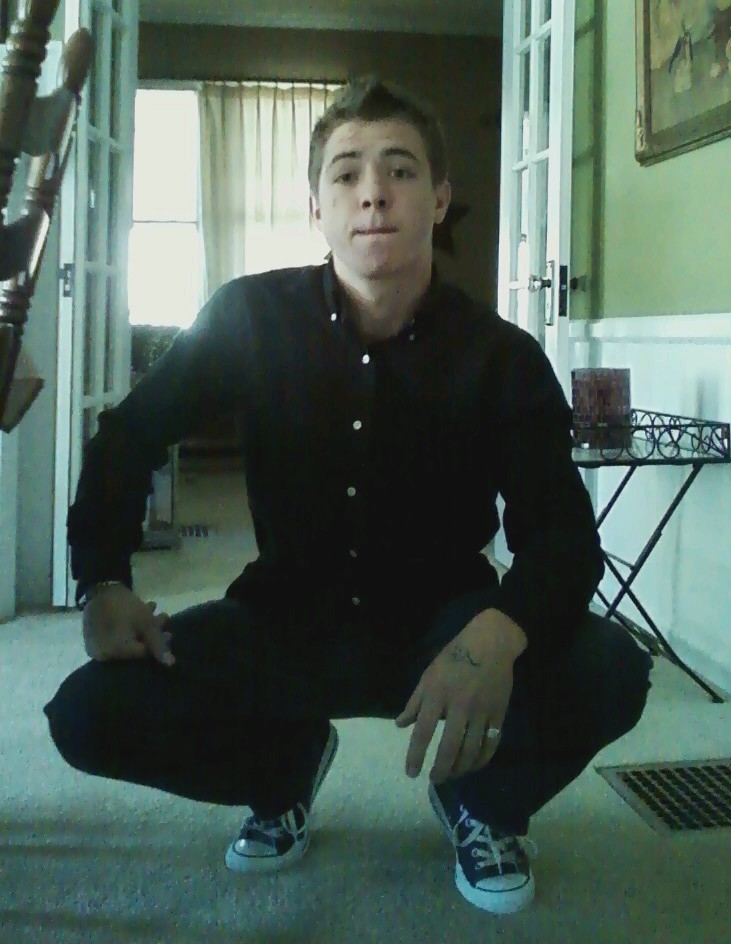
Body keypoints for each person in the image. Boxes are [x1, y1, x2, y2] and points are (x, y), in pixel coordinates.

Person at [44, 76, 653, 916]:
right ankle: (283, 770)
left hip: (444, 626)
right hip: (284, 620)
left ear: (439, 199)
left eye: (401, 170)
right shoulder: (248, 316)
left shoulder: (503, 357)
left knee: (613, 670)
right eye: (347, 174)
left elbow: (563, 540)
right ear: (316, 208)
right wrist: (105, 579)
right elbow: (128, 437)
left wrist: (500, 631)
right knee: (88, 714)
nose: (373, 192)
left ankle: (482, 803)